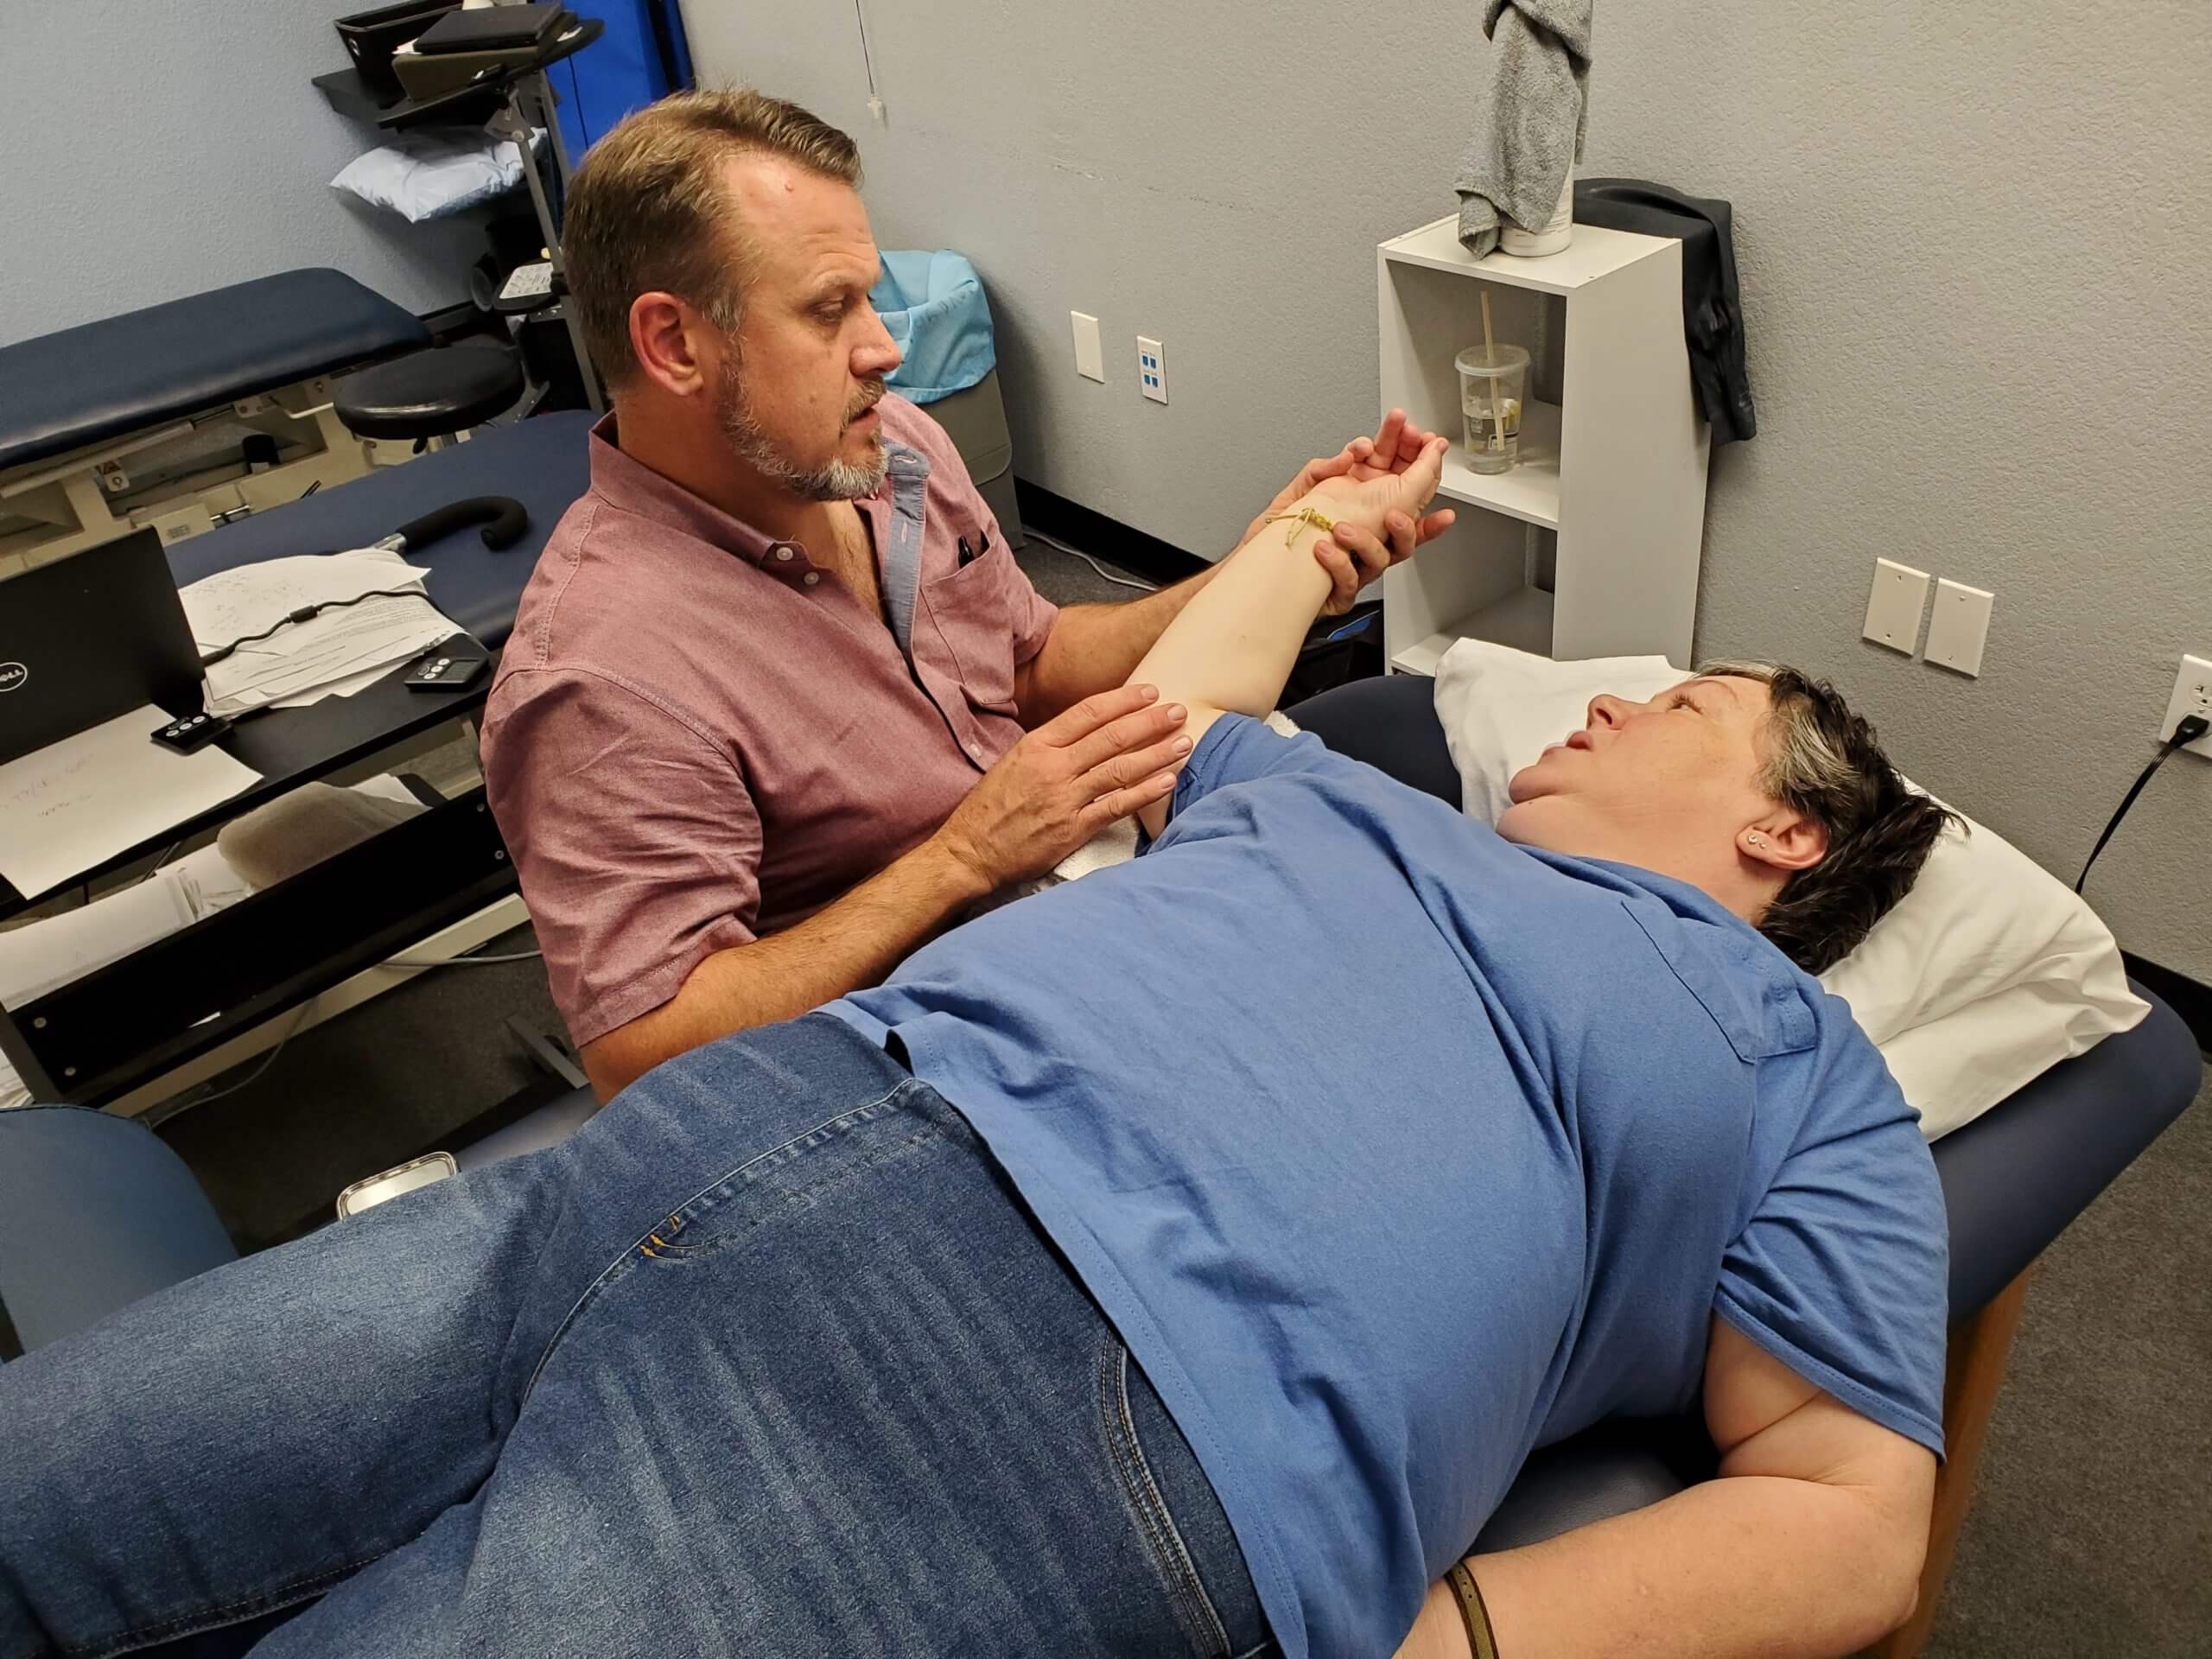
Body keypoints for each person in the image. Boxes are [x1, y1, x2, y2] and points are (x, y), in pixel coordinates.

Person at [0, 434, 1958, 1659]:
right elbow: (1178, 702)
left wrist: (1451, 1632)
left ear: (1780, 826)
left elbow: (1847, 1520)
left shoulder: (1793, 1062)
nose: (1604, 707)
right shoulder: (1357, 804)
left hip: (1047, 1410)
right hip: (721, 1140)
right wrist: (1323, 529)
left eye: (1678, 699)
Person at [480, 88, 1442, 1099]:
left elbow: (1028, 663)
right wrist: (965, 856)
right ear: (674, 344)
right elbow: (646, 1058)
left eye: (868, 294)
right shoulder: (602, 676)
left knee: (1416, 740)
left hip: (1081, 871)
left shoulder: (887, 451)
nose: (885, 348)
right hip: (953, 1032)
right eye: (826, 309)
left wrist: (1257, 569)